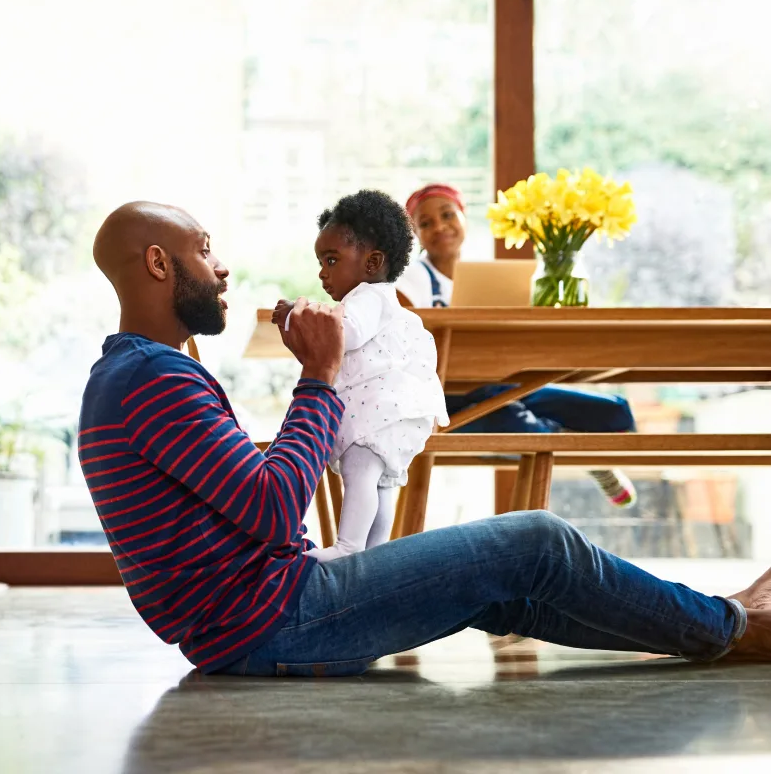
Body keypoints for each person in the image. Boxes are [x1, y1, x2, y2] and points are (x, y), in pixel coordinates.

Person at [78, 199, 771, 677]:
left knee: (507, 588)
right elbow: (272, 508)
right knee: (534, 539)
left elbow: (248, 507)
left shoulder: (137, 373)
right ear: (159, 265)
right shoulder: (151, 378)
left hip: (259, 617)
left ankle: (716, 623)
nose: (221, 267)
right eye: (203, 251)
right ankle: (735, 629)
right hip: (277, 621)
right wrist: (320, 375)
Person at [397, 183, 638, 509]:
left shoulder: (492, 277)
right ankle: (578, 451)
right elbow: (401, 341)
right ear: (415, 234)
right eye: (425, 223)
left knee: (614, 412)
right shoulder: (411, 279)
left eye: (447, 215)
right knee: (514, 424)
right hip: (448, 396)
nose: (439, 226)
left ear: (464, 217)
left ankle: (563, 439)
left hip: (501, 384)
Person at [271, 191, 449, 562]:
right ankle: (373, 555)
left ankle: (349, 546)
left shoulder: (367, 297)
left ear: (372, 263)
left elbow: (342, 335)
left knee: (360, 473)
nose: (322, 272)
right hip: (389, 412)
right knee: (379, 483)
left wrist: (296, 315)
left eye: (331, 260)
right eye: (320, 261)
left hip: (377, 411)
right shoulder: (379, 297)